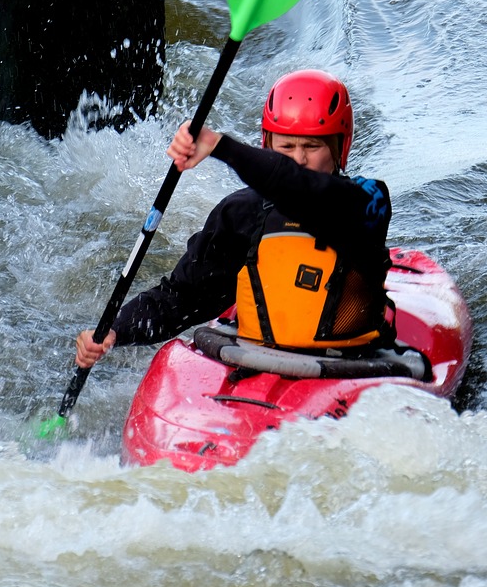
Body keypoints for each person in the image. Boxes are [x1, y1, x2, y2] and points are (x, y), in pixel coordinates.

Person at [75, 69, 396, 369]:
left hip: (348, 366)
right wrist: (117, 330)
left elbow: (300, 186)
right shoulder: (242, 213)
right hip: (258, 365)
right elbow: (183, 298)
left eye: (312, 146)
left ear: (341, 146)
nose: (299, 159)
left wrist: (220, 146)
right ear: (267, 145)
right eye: (286, 146)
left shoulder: (367, 202)